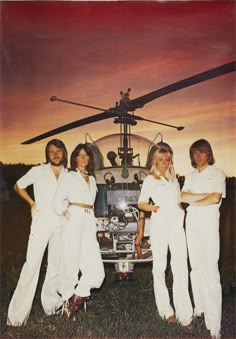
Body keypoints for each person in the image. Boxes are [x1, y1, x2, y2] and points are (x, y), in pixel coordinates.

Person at [7, 139, 68, 326]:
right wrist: (32, 203)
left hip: (62, 225)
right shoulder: (39, 171)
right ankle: (16, 318)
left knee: (55, 267)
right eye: (51, 152)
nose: (55, 155)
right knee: (31, 266)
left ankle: (51, 306)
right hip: (41, 224)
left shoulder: (69, 174)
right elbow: (18, 186)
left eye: (59, 151)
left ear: (64, 153)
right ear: (47, 154)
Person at [138, 142, 193, 327]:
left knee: (180, 268)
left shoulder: (174, 180)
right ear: (155, 161)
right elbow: (141, 203)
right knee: (160, 268)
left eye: (167, 159)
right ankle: (165, 311)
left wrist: (180, 209)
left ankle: (185, 314)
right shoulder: (150, 179)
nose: (164, 162)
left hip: (177, 226)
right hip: (160, 226)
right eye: (161, 159)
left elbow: (179, 200)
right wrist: (155, 208)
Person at [52, 143, 105, 319]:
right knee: (70, 261)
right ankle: (67, 302)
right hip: (74, 218)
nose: (83, 158)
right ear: (75, 158)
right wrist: (65, 213)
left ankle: (73, 303)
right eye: (80, 155)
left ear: (90, 158)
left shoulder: (91, 178)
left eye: (86, 155)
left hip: (89, 220)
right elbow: (56, 201)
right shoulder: (69, 176)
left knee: (96, 271)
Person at [181, 139, 225, 339]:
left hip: (208, 228)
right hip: (191, 227)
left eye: (201, 152)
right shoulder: (189, 176)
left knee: (210, 271)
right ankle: (200, 308)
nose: (197, 156)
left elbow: (215, 198)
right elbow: (182, 197)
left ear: (208, 154)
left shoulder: (218, 173)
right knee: (195, 268)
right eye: (194, 153)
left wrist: (194, 198)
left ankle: (214, 324)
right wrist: (203, 197)